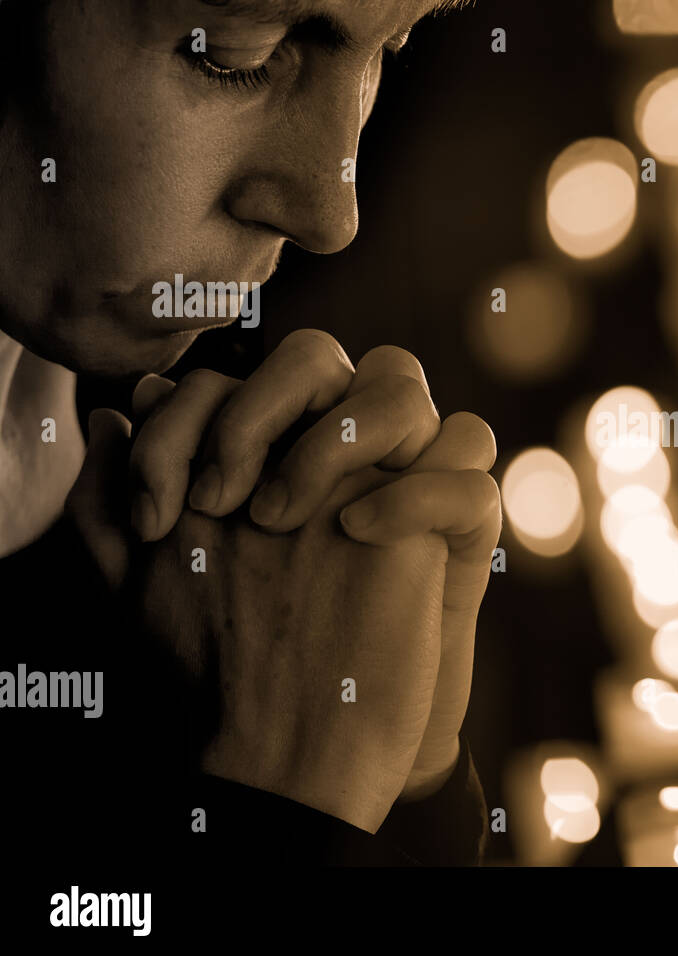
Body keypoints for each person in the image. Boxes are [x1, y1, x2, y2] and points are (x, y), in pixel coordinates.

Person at [0, 0, 497, 864]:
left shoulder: (167, 485)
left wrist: (404, 779)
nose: (331, 211)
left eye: (391, 49)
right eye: (236, 56)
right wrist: (291, 809)